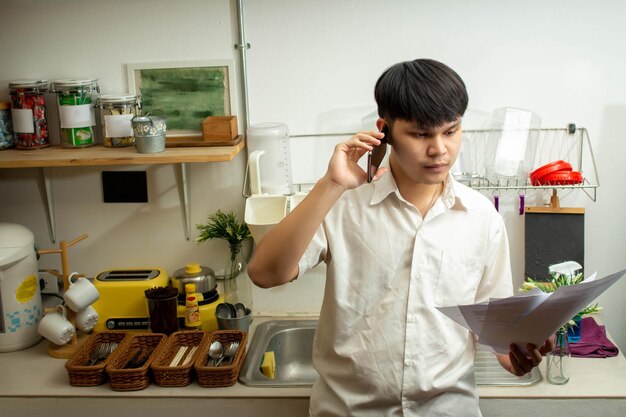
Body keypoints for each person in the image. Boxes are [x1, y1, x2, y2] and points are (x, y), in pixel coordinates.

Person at [247, 58, 553, 417]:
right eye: (421, 134)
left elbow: (496, 334)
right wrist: (329, 184)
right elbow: (265, 274)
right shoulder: (343, 204)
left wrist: (517, 359)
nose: (439, 148)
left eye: (451, 131)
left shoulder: (482, 216)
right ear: (385, 130)